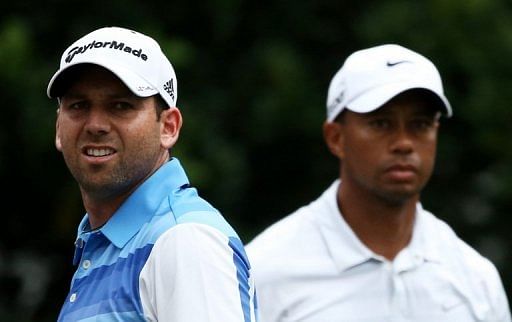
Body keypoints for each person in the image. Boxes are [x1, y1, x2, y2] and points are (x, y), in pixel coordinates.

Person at [245, 44, 511, 321]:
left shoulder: (476, 279)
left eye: (420, 124)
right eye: (381, 124)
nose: (404, 143)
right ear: (336, 137)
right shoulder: (265, 272)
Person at [47, 26, 257, 322]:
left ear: (168, 127)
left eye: (121, 106)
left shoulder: (185, 240)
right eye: (79, 105)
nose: (95, 124)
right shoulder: (106, 246)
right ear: (59, 128)